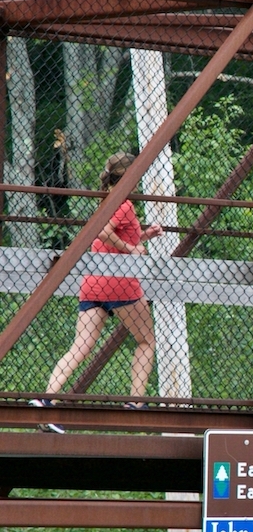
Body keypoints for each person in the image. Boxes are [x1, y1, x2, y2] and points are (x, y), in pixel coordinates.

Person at [30, 152, 163, 433]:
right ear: (129, 175)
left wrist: (143, 237)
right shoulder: (124, 202)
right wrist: (132, 249)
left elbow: (112, 236)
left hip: (93, 282)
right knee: (146, 340)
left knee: (80, 346)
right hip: (119, 281)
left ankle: (46, 400)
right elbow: (103, 232)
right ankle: (135, 403)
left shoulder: (106, 199)